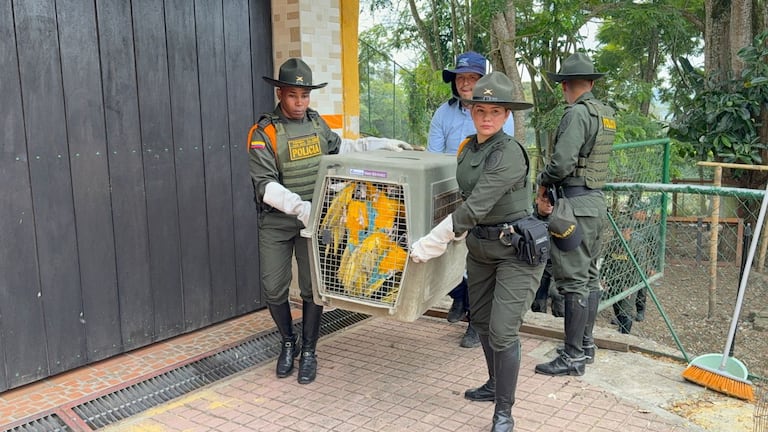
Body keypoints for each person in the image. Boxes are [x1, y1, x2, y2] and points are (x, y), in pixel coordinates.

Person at [248, 59, 414, 385]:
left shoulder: (316, 124)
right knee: (273, 287)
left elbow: (344, 148)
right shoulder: (263, 132)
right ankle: (287, 341)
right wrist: (303, 209)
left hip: (315, 220)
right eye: (293, 95)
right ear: (280, 93)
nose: (300, 103)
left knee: (314, 288)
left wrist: (381, 144)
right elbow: (265, 186)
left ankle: (309, 350)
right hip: (279, 221)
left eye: (305, 96)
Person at [411, 72, 544, 432]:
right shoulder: (467, 146)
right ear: (471, 111)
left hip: (515, 250)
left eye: (495, 111)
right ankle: (493, 384)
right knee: (482, 323)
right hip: (480, 248)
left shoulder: (510, 153)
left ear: (506, 116)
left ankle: (504, 411)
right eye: (480, 109)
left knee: (502, 332)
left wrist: (433, 241)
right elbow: (459, 194)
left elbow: (476, 205)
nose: (487, 117)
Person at [533, 52, 616, 376]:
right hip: (595, 205)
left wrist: (543, 180)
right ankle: (585, 347)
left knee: (573, 283)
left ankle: (572, 356)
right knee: (590, 278)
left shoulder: (576, 114)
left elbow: (562, 164)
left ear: (565, 85)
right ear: (592, 82)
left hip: (574, 208)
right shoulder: (605, 114)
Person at [428, 51, 515, 349]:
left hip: (486, 197)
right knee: (447, 251)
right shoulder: (443, 113)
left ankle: (476, 324)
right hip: (450, 189)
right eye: (460, 78)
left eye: (472, 78)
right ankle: (459, 296)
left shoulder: (500, 115)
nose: (465, 84)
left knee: (479, 259)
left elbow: (501, 155)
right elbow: (434, 156)